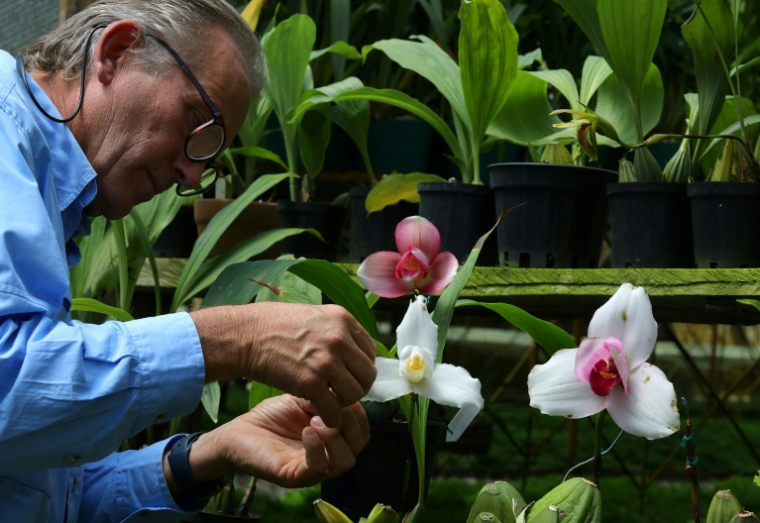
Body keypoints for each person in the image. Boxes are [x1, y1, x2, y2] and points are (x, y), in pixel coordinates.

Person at [0, 1, 377, 521]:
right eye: (197, 121)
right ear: (115, 52)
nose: (192, 177)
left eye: (210, 153)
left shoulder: (49, 203)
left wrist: (207, 454)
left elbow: (37, 487)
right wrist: (235, 338)